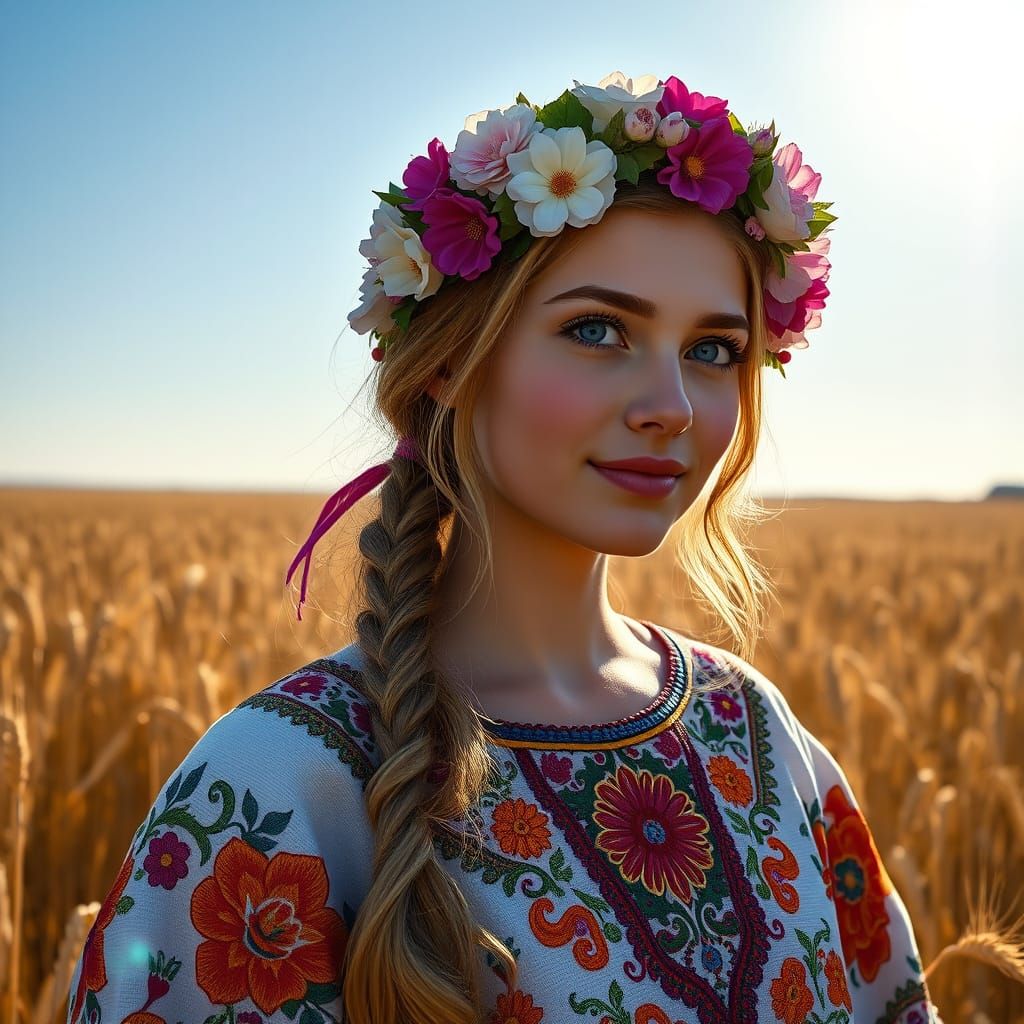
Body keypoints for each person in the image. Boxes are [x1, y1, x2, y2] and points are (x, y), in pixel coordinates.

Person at [66, 72, 945, 1024]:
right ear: (449, 361)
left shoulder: (760, 735)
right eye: (598, 330)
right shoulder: (274, 790)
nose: (672, 406)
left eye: (713, 349)